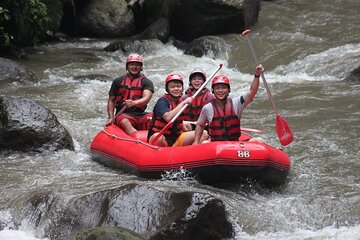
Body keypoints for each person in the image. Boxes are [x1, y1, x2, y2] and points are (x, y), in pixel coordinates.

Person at [194, 65, 265, 144]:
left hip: (235, 144)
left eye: (223, 88)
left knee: (259, 140)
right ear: (213, 91)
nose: (220, 91)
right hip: (216, 145)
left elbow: (252, 91)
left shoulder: (238, 103)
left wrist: (257, 75)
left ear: (229, 90)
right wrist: (196, 142)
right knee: (204, 143)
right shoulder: (207, 108)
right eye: (217, 88)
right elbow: (200, 125)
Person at [147, 73, 208, 147]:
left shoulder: (180, 101)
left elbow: (179, 121)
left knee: (203, 133)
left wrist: (187, 130)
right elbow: (168, 118)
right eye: (172, 87)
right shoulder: (162, 102)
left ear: (182, 88)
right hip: (162, 137)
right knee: (158, 137)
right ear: (167, 89)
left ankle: (188, 154)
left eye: (179, 86)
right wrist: (183, 103)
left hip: (176, 138)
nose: (176, 89)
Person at [106, 53, 154, 135]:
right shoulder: (118, 81)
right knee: (125, 122)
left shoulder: (146, 82)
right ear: (127, 66)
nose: (134, 67)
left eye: (137, 65)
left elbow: (146, 98)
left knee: (154, 118)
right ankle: (136, 138)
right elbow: (111, 100)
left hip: (140, 114)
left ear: (141, 67)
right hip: (122, 115)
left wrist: (134, 103)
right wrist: (111, 117)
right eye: (132, 64)